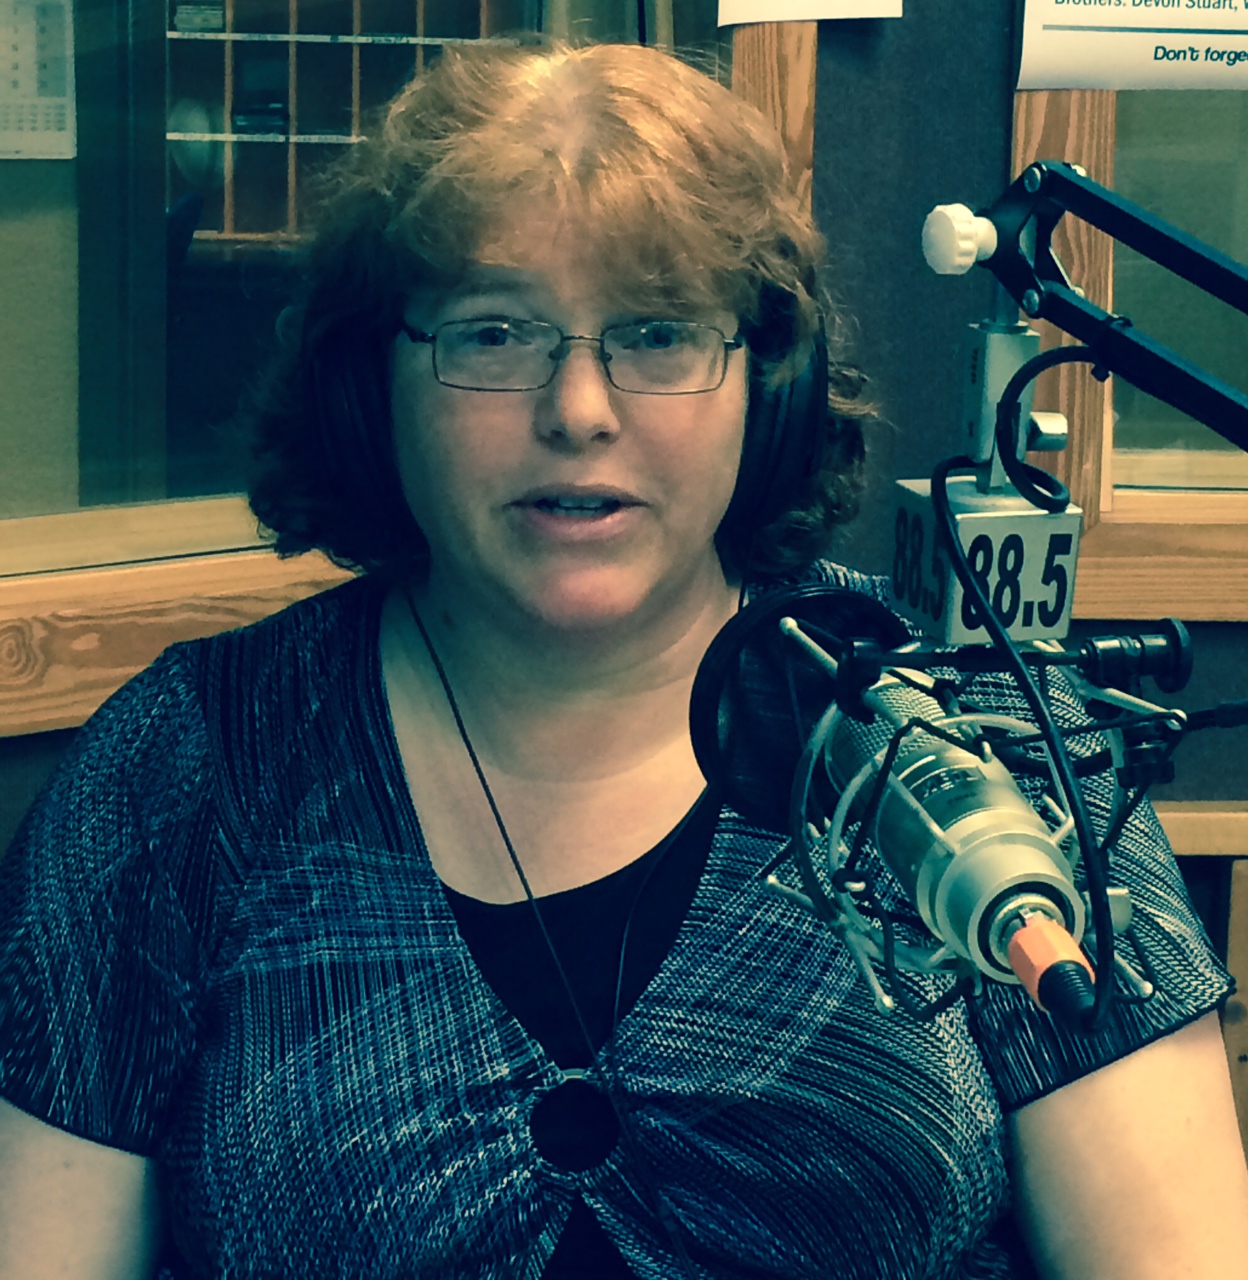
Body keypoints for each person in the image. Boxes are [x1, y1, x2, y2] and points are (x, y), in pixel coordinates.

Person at [2, 38, 1247, 1280]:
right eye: (496, 333)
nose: (579, 411)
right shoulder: (178, 775)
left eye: (657, 332)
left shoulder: (975, 718)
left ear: (768, 381)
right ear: (370, 385)